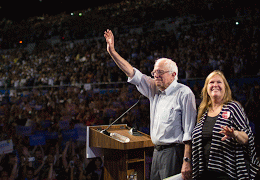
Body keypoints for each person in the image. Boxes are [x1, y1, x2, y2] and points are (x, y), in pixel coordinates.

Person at [104, 29, 196, 180]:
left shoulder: (184, 93)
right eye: (154, 73)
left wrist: (187, 160)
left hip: (175, 153)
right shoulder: (154, 88)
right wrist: (112, 52)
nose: (156, 76)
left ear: (173, 75)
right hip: (157, 152)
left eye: (160, 72)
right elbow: (132, 73)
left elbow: (189, 131)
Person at [191, 70, 260, 179]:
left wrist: (235, 134)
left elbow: (248, 137)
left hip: (227, 173)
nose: (215, 85)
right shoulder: (203, 112)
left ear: (225, 88)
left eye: (219, 82)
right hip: (204, 173)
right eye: (211, 82)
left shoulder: (233, 107)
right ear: (206, 88)